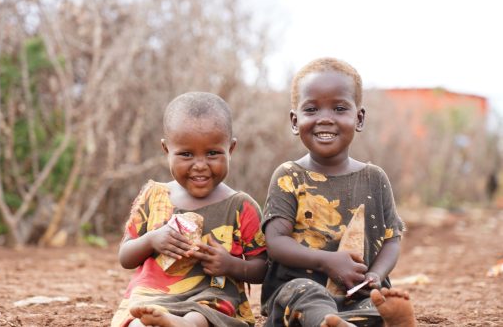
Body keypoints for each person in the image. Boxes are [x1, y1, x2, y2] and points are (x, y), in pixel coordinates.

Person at [260, 57, 417, 327]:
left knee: (376, 302)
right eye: (311, 109)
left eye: (339, 108)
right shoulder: (289, 177)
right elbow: (276, 243)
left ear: (359, 118)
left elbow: (392, 241)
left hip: (355, 291)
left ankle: (387, 320)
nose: (325, 119)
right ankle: (328, 322)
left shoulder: (374, 178)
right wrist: (326, 261)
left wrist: (376, 275)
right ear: (295, 121)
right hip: (297, 292)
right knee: (306, 296)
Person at [111, 92, 267, 327]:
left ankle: (186, 324)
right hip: (154, 293)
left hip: (212, 296)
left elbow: (262, 268)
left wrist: (231, 265)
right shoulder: (154, 196)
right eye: (186, 154)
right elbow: (125, 256)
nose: (200, 166)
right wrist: (152, 240)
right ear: (166, 150)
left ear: (231, 148)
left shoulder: (241, 206)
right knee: (138, 319)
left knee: (203, 312)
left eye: (213, 153)